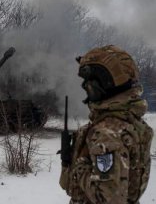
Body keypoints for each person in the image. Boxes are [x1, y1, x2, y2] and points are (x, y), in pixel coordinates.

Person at [59, 45, 154, 204]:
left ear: (105, 82)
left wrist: (80, 166)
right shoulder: (127, 122)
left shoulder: (107, 133)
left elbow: (110, 199)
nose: (85, 86)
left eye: (89, 81)